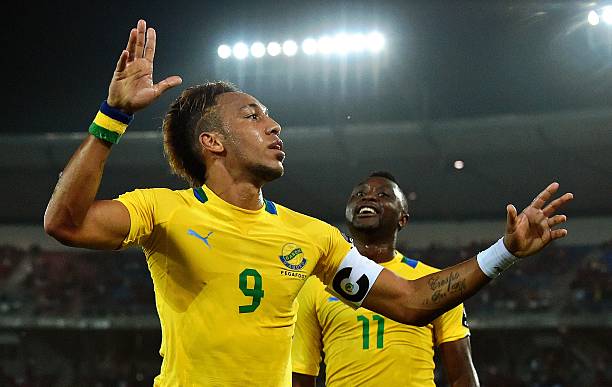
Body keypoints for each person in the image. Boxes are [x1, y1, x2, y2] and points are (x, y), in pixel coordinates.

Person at [43, 20, 573, 386]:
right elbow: (65, 223)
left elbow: (411, 301)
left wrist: (504, 250)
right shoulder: (163, 212)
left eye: (269, 115)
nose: (273, 125)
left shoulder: (312, 237)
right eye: (252, 115)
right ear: (212, 142)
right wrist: (112, 117)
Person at [292, 172, 479, 387]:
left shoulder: (435, 283)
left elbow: (462, 377)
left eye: (383, 194)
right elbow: (300, 376)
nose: (368, 197)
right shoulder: (316, 284)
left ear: (402, 218)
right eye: (359, 194)